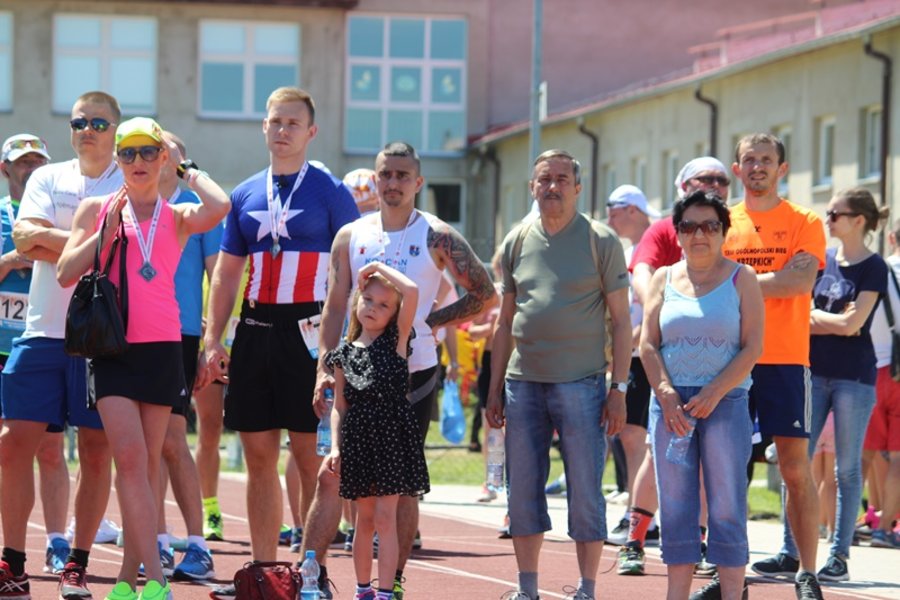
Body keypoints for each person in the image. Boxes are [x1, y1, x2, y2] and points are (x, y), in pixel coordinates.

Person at [301, 141, 496, 599]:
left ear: (418, 183)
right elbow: (334, 305)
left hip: (413, 374)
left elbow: (485, 294)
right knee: (332, 475)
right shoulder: (351, 234)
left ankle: (393, 582)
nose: (392, 183)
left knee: (401, 489)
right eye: (385, 174)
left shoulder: (437, 236)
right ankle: (312, 573)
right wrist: (323, 369)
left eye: (402, 175)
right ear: (375, 177)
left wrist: (430, 321)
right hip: (354, 370)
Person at [56, 116, 230, 600]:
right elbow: (66, 272)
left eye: (147, 153)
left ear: (162, 159)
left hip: (163, 349)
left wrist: (188, 167)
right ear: (117, 160)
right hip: (112, 350)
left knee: (148, 465)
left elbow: (222, 204)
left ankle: (128, 581)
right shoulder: (96, 208)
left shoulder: (177, 215)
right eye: (127, 153)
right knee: (130, 460)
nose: (137, 162)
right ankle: (157, 581)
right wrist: (103, 235)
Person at [203, 87, 359, 593]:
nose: (283, 130)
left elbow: (353, 271)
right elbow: (226, 276)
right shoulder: (245, 193)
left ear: (311, 132)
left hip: (310, 333)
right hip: (255, 330)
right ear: (263, 128)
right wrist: (212, 339)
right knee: (257, 457)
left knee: (310, 458)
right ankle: (265, 571)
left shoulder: (331, 191)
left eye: (293, 123)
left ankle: (312, 573)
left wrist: (345, 343)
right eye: (275, 122)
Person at [486, 148, 631, 600]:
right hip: (522, 383)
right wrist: (493, 389)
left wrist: (618, 389)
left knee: (586, 490)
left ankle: (586, 589)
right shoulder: (516, 240)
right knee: (521, 491)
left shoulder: (600, 241)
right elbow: (504, 322)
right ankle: (527, 589)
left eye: (562, 179)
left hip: (583, 384)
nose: (552, 187)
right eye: (544, 179)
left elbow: (624, 323)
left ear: (578, 187)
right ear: (533, 187)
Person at [0, 91, 124, 600]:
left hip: (103, 338)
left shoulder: (128, 178)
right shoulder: (47, 178)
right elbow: (24, 238)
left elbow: (131, 243)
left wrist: (54, 240)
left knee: (96, 454)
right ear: (70, 129)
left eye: (98, 121)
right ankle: (13, 565)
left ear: (115, 128)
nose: (88, 129)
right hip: (42, 333)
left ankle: (76, 563)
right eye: (79, 122)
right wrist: (95, 237)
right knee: (12, 449)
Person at [640, 190, 764, 600]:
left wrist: (714, 391)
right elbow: (648, 345)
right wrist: (666, 393)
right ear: (677, 233)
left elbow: (752, 348)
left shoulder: (742, 278)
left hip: (725, 403)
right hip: (671, 406)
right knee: (676, 506)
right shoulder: (663, 278)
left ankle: (732, 595)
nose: (699, 234)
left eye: (710, 226)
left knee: (727, 504)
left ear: (723, 232)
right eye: (689, 226)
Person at [615, 157, 733, 579]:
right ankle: (634, 539)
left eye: (721, 179)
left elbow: (743, 281)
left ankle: (700, 544)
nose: (715, 185)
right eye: (705, 179)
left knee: (710, 460)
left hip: (721, 370)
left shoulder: (730, 227)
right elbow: (642, 273)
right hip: (666, 359)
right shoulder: (665, 228)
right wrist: (667, 306)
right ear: (683, 185)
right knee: (655, 450)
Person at [722, 133, 826, 600]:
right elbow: (703, 281)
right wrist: (769, 280)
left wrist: (736, 282)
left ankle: (807, 572)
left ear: (782, 168)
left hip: (784, 359)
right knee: (728, 468)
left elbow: (799, 282)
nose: (758, 167)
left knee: (794, 469)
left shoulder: (804, 220)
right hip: (729, 359)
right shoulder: (722, 222)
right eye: (750, 160)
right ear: (737, 168)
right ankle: (731, 570)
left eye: (767, 160)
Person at [796, 187, 888, 581]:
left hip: (855, 378)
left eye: (835, 213)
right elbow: (802, 313)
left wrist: (821, 319)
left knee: (847, 471)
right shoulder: (822, 260)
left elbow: (856, 324)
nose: (828, 218)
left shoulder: (874, 266)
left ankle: (839, 555)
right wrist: (832, 321)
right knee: (796, 463)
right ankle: (791, 550)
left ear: (859, 220)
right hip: (812, 371)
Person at [325, 262, 429, 600]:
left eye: (384, 305)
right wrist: (336, 447)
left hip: (392, 438)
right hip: (358, 441)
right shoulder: (342, 354)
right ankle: (362, 590)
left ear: (394, 314)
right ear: (357, 301)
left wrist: (376, 267)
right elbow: (340, 406)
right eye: (368, 299)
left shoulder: (397, 340)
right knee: (363, 520)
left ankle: (386, 592)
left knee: (387, 517)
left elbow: (411, 291)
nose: (373, 308)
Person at [0, 133, 76, 576]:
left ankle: (56, 541)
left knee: (51, 448)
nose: (30, 169)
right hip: (4, 347)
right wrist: (13, 257)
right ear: (5, 169)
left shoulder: (60, 213)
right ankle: (11, 549)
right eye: (21, 162)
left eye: (37, 161)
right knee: (9, 450)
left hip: (45, 343)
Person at [154, 131, 219, 581]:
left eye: (165, 147)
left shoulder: (193, 212)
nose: (158, 154)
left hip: (180, 335)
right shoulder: (129, 202)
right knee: (145, 445)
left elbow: (220, 281)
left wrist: (213, 344)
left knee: (173, 441)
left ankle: (198, 546)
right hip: (132, 336)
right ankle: (156, 541)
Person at [605, 184, 658, 522]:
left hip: (646, 354)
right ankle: (638, 509)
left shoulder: (653, 249)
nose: (608, 216)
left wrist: (627, 344)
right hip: (631, 354)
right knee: (629, 434)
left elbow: (651, 306)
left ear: (633, 210)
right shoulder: (627, 254)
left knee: (635, 434)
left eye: (614, 209)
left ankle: (640, 515)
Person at [864, 217, 900, 550]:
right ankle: (885, 528)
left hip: (872, 367)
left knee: (864, 454)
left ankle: (844, 528)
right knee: (898, 457)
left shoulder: (879, 269)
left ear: (891, 238)